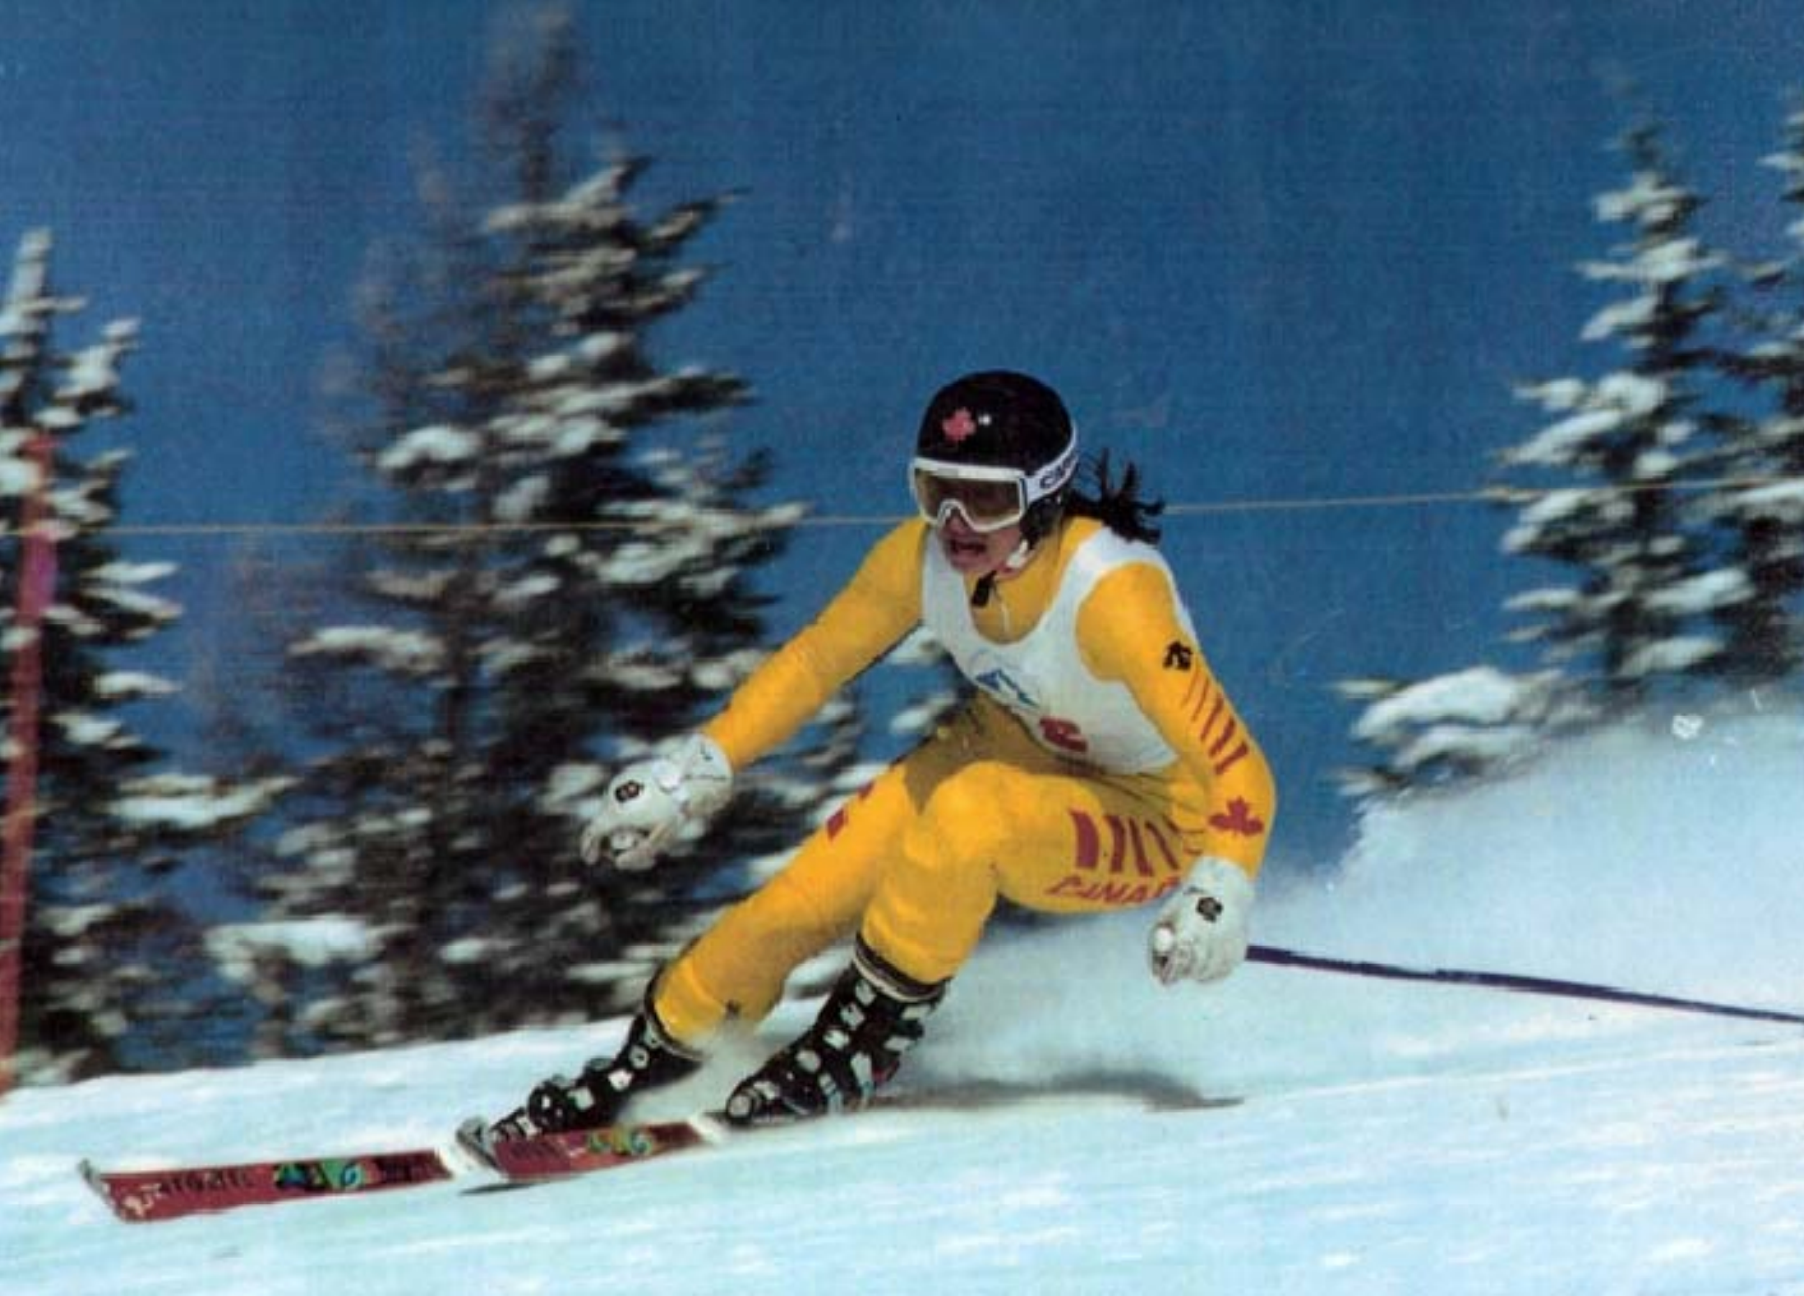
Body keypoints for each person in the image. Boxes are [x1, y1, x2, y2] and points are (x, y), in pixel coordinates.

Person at [487, 369, 1276, 1138]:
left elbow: (1238, 768)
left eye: (989, 497)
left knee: (969, 817)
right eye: (937, 491)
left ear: (1046, 494)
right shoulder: (920, 559)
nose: (958, 521)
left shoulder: (1112, 595)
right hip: (1006, 745)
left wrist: (1222, 886)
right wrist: (689, 773)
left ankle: (864, 1043)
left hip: (1151, 810)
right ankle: (654, 1063)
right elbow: (811, 664)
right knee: (795, 903)